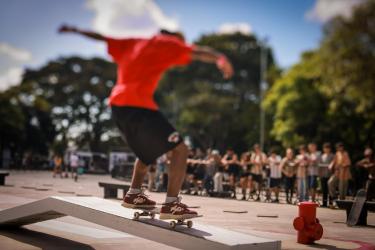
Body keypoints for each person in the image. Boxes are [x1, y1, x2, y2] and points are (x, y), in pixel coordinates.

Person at [59, 25, 233, 219]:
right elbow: (199, 52)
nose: (181, 47)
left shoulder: (134, 41)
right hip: (139, 106)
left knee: (148, 150)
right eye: (180, 42)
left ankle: (134, 194)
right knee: (180, 150)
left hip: (118, 105)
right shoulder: (169, 43)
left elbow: (102, 36)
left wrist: (76, 30)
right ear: (174, 37)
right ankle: (171, 205)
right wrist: (220, 58)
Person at [318, 143, 335, 207]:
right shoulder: (322, 156)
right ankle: (324, 203)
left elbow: (333, 164)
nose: (326, 149)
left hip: (330, 174)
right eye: (325, 148)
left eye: (328, 148)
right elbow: (319, 165)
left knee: (330, 189)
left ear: (330, 149)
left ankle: (331, 203)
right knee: (324, 189)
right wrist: (319, 174)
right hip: (323, 174)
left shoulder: (332, 156)